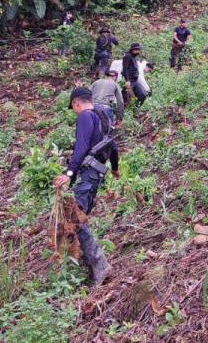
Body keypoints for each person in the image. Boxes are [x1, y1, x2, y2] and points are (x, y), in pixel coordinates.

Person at [53, 88, 119, 286]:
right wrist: (115, 167)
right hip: (98, 173)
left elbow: (80, 148)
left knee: (76, 219)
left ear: (76, 103)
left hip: (88, 174)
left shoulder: (85, 117)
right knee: (79, 218)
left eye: (74, 108)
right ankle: (89, 269)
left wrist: (68, 174)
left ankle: (100, 265)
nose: (75, 111)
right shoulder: (105, 114)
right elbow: (113, 145)